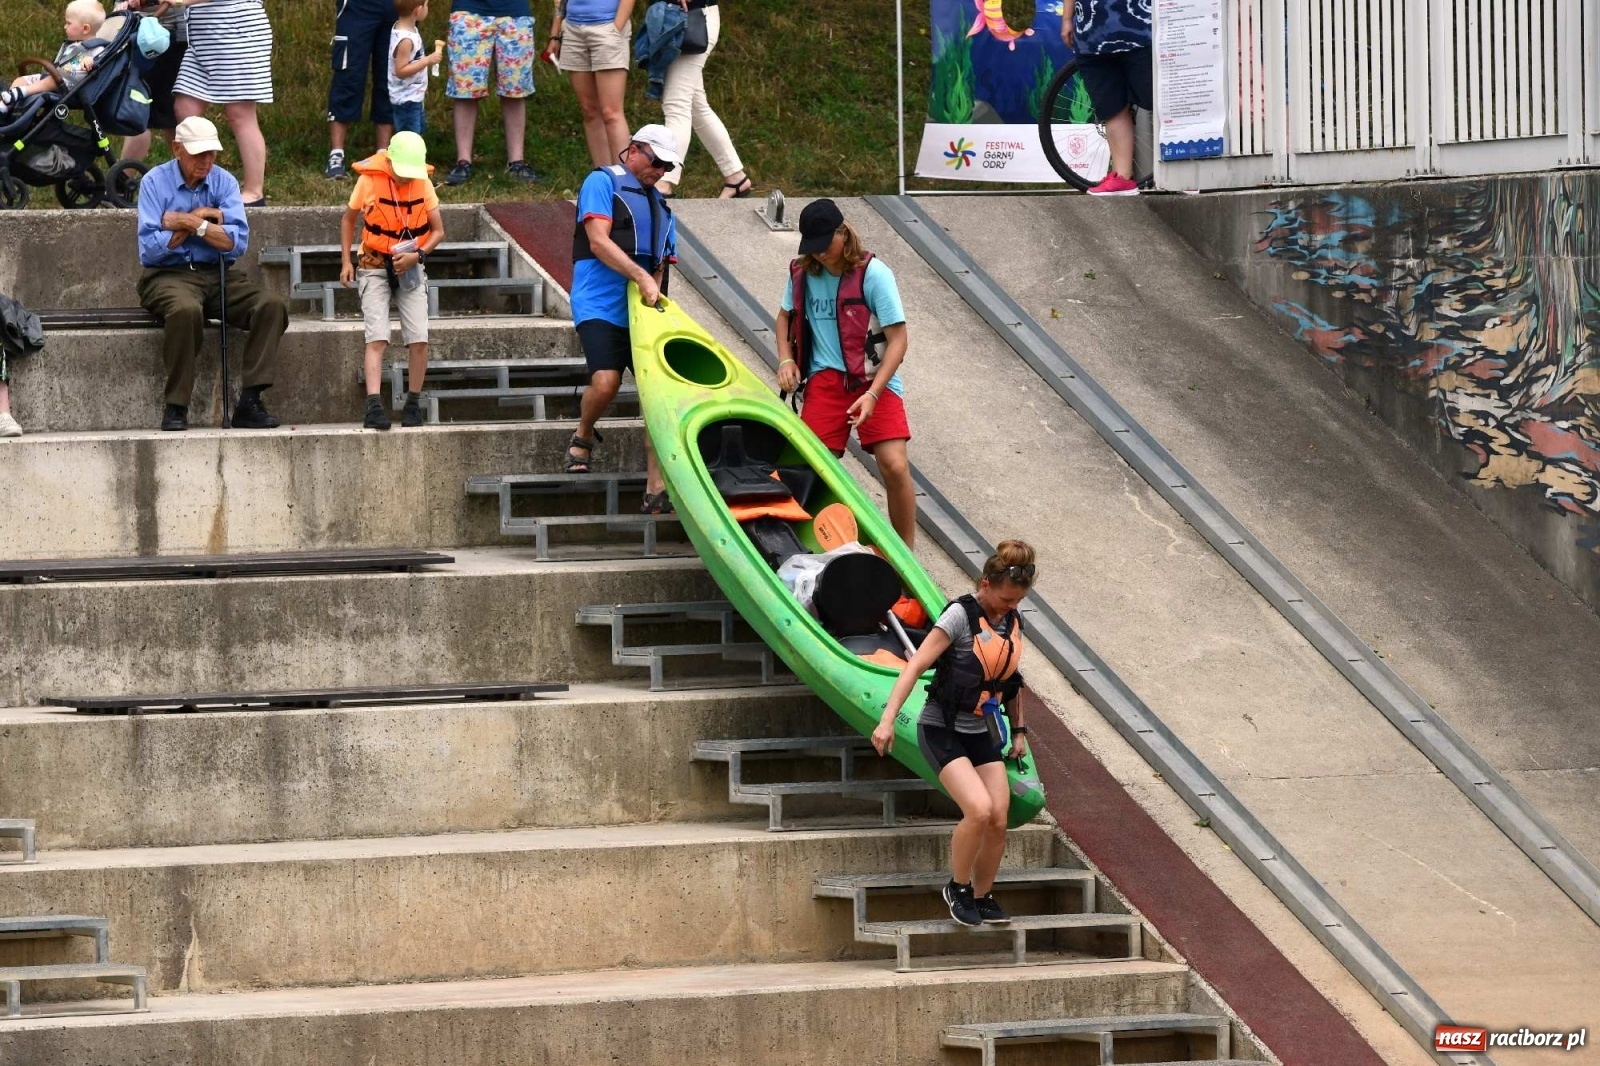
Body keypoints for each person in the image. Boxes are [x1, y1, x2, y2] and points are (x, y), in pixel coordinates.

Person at [872, 541, 1035, 927]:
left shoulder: (1011, 621)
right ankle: (957, 887)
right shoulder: (959, 616)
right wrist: (887, 720)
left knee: (998, 816)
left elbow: (1009, 682)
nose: (1010, 607)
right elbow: (915, 668)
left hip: (981, 730)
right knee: (978, 809)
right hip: (942, 728)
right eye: (1006, 599)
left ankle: (983, 895)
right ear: (985, 584)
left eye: (1017, 601)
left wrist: (1019, 731)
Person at [775, 199, 916, 548]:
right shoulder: (803, 273)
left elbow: (898, 341)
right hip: (825, 381)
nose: (820, 253)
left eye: (826, 244)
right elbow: (784, 318)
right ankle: (814, 545)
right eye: (813, 247)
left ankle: (906, 555)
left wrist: (872, 394)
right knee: (813, 469)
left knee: (894, 465)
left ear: (843, 231)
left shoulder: (874, 274)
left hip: (872, 381)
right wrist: (785, 360)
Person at [136, 116, 287, 432]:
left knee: (271, 305)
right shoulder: (153, 182)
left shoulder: (225, 183)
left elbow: (235, 243)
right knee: (185, 310)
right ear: (177, 148)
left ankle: (251, 400)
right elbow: (150, 250)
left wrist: (191, 222)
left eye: (212, 153)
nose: (207, 161)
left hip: (218, 273)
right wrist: (210, 223)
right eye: (198, 153)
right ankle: (176, 405)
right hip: (167, 275)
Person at [564, 124, 678, 514]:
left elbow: (660, 267)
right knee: (606, 381)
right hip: (597, 302)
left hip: (642, 313)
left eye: (667, 166)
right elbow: (597, 240)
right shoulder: (601, 182)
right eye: (656, 161)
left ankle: (655, 486)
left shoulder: (663, 209)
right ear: (633, 150)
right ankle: (583, 432)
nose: (660, 170)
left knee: (657, 400)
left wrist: (654, 288)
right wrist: (642, 276)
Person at [338, 131, 444, 430]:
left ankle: (413, 403)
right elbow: (348, 219)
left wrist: (418, 256)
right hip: (373, 262)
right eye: (401, 172)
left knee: (419, 337)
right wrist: (347, 261)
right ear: (390, 161)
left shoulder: (422, 183)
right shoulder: (370, 180)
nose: (405, 178)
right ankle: (374, 405)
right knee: (377, 336)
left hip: (410, 264)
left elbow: (438, 230)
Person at [172, 0, 275, 207]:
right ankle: (203, 183)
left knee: (239, 114)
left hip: (236, 29)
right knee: (186, 107)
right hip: (202, 35)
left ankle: (254, 193)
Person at [653, 0, 749, 199]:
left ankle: (665, 182)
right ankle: (736, 177)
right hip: (680, 18)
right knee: (697, 106)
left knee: (676, 104)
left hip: (694, 19)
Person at [441, 0, 539, 185]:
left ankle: (517, 162)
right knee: (465, 90)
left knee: (515, 90)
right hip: (468, 10)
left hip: (515, 12)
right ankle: (463, 162)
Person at [1061, 0, 1150, 196]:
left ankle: (1187, 171)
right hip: (1092, 34)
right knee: (1112, 107)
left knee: (1163, 98)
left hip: (1142, 28)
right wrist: (1067, 19)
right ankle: (1122, 177)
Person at [547, 0, 632, 169]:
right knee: (590, 111)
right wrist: (555, 35)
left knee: (611, 113)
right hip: (573, 30)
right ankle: (602, 177)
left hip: (608, 27)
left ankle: (625, 183)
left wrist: (616, 28)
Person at [325, 0, 398, 180]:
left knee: (390, 75)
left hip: (395, 6)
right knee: (348, 73)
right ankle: (336, 155)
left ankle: (383, 155)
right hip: (357, 7)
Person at [0, 1, 107, 116]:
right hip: (54, 77)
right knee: (20, 80)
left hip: (69, 88)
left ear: (85, 29)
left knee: (51, 81)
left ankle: (21, 92)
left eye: (68, 23)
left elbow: (97, 62)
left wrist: (89, 60)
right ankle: (4, 108)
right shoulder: (74, 43)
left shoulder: (97, 48)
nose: (65, 26)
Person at [114, 0, 188, 161]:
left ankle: (191, 174)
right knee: (137, 112)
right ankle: (121, 180)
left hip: (166, 37)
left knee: (170, 117)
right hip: (134, 34)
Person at [388, 0, 445, 135]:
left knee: (416, 136)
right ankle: (408, 157)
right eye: (426, 5)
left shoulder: (407, 29)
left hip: (413, 95)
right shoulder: (406, 40)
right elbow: (401, 71)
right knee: (410, 140)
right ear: (418, 11)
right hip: (406, 100)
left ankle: (415, 155)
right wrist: (427, 60)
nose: (427, 9)